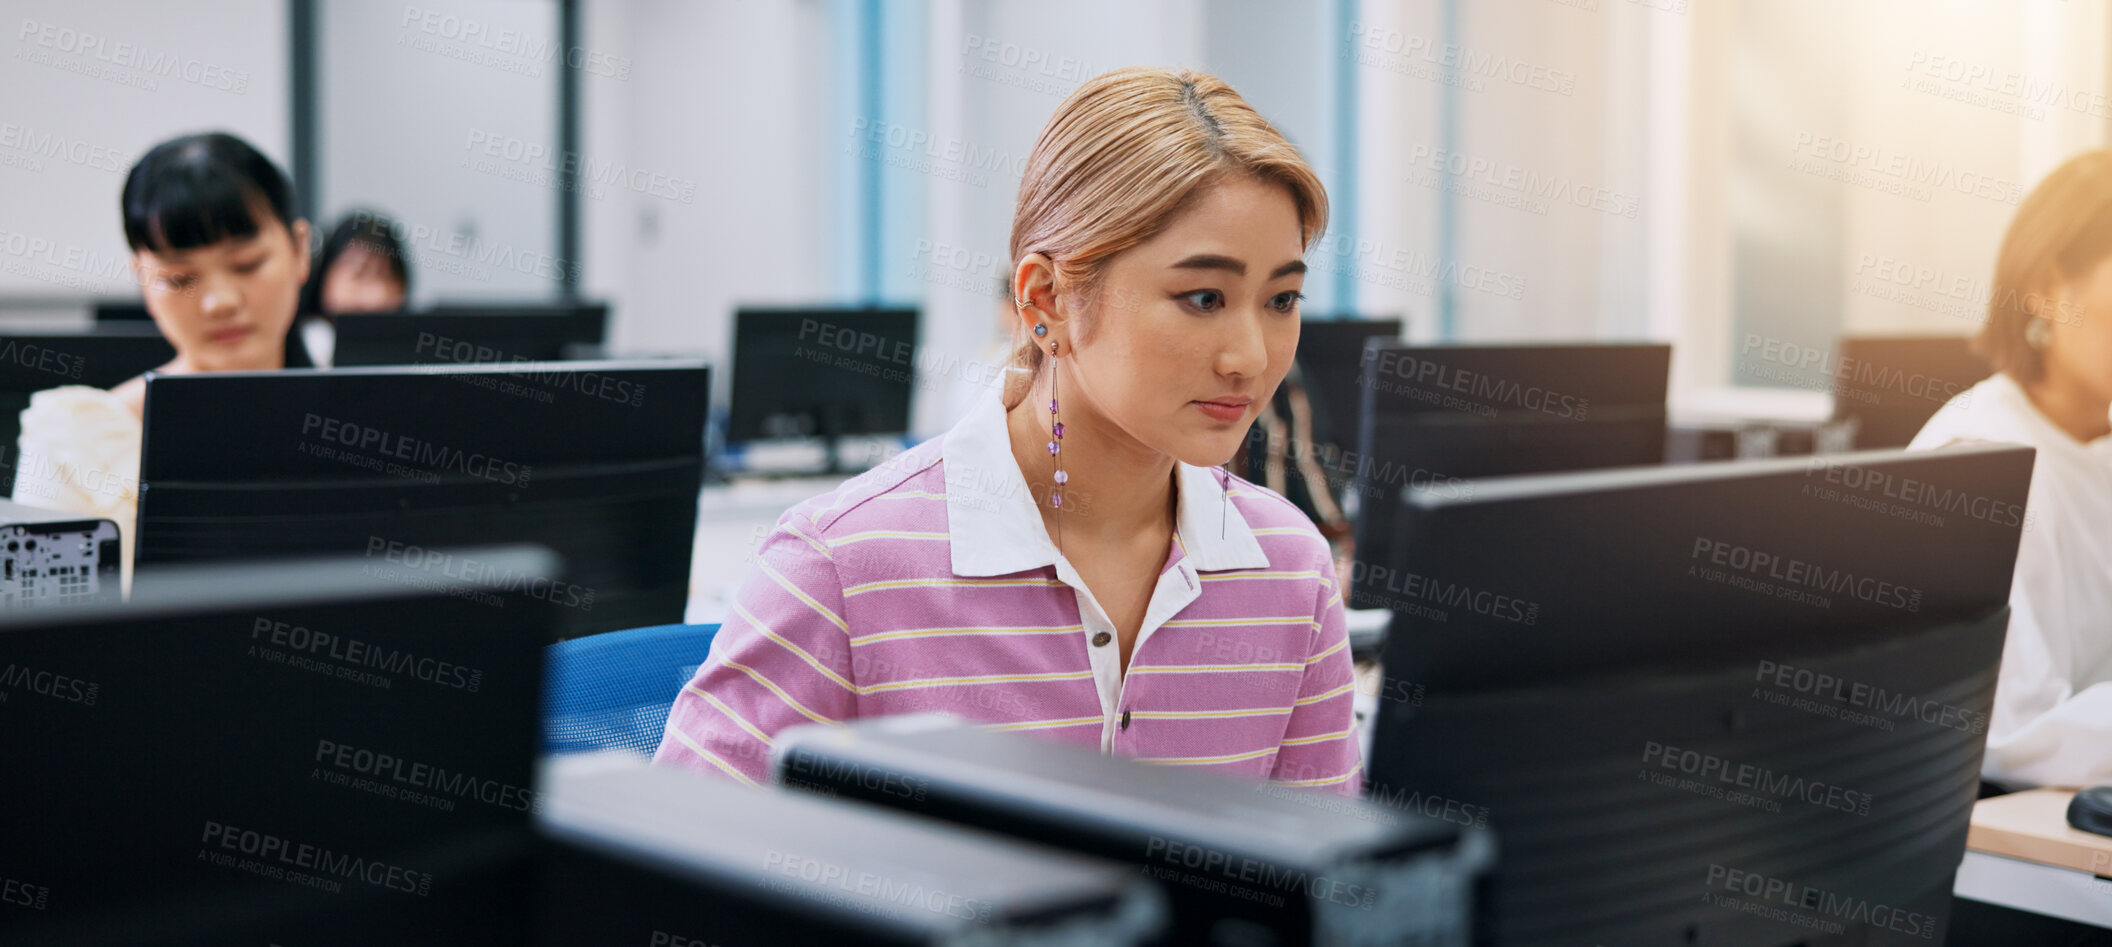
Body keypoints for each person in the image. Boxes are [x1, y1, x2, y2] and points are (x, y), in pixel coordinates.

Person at [655, 67, 1362, 793]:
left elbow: (1333, 893)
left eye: (1282, 299)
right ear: (1046, 298)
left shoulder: (1288, 570)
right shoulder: (842, 567)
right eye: (1203, 296)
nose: (1249, 355)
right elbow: (663, 874)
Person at [10, 132, 310, 577]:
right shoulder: (75, 444)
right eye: (180, 278)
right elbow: (43, 636)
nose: (218, 302)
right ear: (142, 279)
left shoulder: (361, 431)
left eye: (247, 264)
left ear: (300, 251)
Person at [1910, 149, 2112, 790]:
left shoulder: (2098, 444)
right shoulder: (1980, 459)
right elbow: (2014, 737)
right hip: (2007, 849)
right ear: (2048, 291)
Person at [295, 211, 412, 367]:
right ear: (325, 274)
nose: (374, 294)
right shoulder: (300, 340)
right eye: (359, 274)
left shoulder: (410, 346)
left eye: (384, 275)